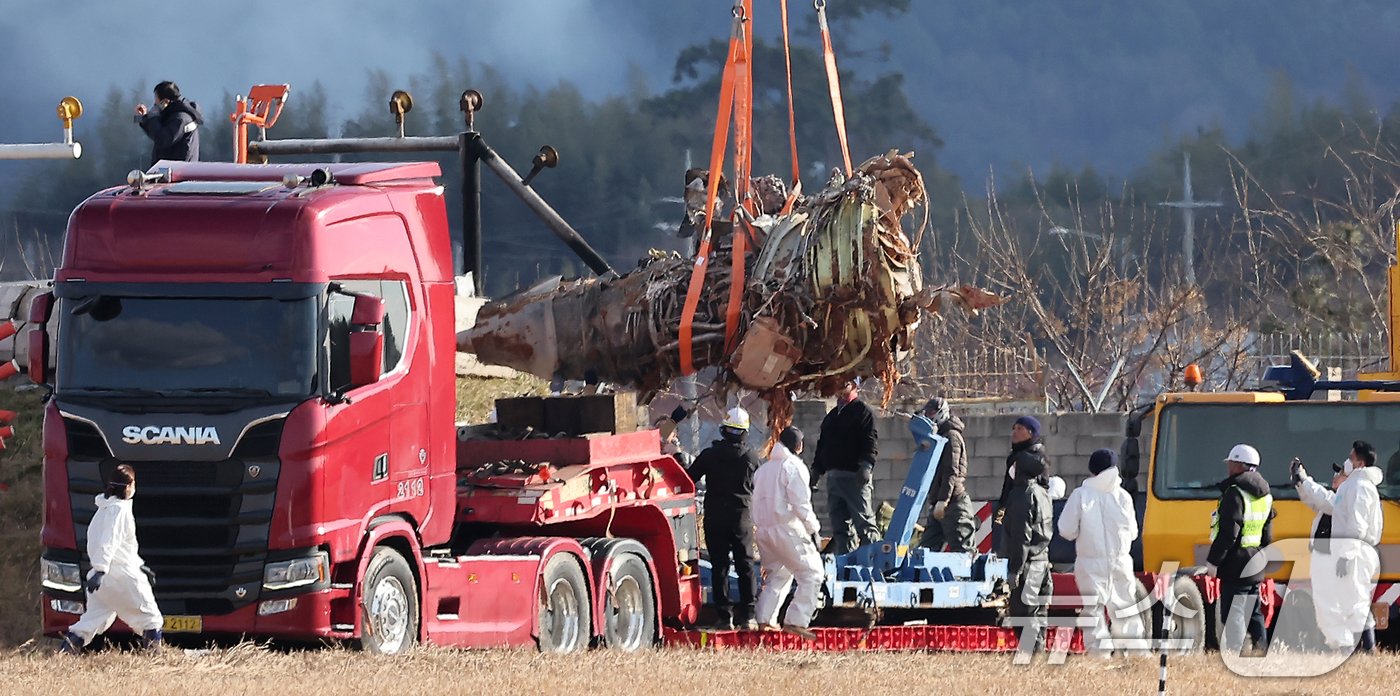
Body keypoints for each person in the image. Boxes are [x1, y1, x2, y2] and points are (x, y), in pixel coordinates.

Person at [59, 465, 162, 654]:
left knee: (93, 620)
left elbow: (117, 545)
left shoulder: (103, 510)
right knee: (151, 619)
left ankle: (64, 655)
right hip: (120, 575)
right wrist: (101, 569)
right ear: (130, 485)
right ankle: (156, 660)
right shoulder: (119, 510)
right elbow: (109, 541)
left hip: (103, 580)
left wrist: (140, 566)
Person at [1292, 440, 1384, 652]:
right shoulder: (1353, 486)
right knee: (1344, 602)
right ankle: (1349, 648)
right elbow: (1326, 501)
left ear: (1360, 462)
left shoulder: (1359, 486)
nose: (1347, 461)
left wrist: (1347, 555)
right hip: (1352, 552)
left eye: (1351, 457)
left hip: (1355, 552)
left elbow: (1356, 523)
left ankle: (1364, 648)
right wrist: (1302, 481)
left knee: (1353, 601)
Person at [1058, 449, 1145, 654]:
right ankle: (1137, 654)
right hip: (1120, 560)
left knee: (1093, 611)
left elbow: (1066, 529)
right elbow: (1133, 532)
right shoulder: (1123, 496)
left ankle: (1100, 656)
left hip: (1090, 562)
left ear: (1092, 470)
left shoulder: (1081, 495)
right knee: (1125, 607)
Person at [687, 407, 761, 630]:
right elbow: (759, 486)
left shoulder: (710, 455)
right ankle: (748, 615)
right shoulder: (751, 457)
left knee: (719, 566)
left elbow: (690, 478)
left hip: (715, 517)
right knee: (745, 565)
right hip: (742, 518)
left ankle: (724, 617)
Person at [752, 426, 823, 640]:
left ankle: (765, 619)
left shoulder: (763, 470)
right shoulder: (794, 467)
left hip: (763, 530)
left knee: (779, 574)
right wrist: (813, 529)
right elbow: (801, 504)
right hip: (785, 527)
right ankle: (797, 621)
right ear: (798, 446)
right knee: (812, 573)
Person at [1204, 444, 1275, 655]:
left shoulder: (1234, 493)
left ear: (1239, 466)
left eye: (1231, 463)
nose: (1229, 467)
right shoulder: (1266, 495)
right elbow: (1267, 536)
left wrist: (1213, 561)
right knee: (1254, 612)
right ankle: (1262, 649)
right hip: (1256, 560)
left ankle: (1234, 654)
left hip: (1236, 563)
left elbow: (1229, 534)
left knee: (1233, 611)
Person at [812, 378, 880, 554]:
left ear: (855, 386)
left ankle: (874, 563)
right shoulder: (832, 416)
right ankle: (846, 563)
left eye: (846, 385)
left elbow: (870, 441)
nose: (841, 390)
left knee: (865, 524)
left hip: (854, 477)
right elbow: (823, 445)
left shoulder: (862, 412)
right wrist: (816, 471)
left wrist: (867, 465)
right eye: (839, 385)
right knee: (840, 527)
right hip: (834, 478)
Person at [1001, 449, 1053, 652]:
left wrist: (1016, 569)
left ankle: (1031, 659)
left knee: (1024, 616)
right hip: (1042, 561)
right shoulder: (1043, 493)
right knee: (1039, 616)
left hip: (1028, 565)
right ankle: (1038, 657)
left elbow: (1021, 537)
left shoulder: (1022, 495)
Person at [918, 397, 975, 553]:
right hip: (939, 501)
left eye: (931, 413)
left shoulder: (951, 436)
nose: (928, 416)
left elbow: (951, 471)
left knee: (963, 551)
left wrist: (943, 499)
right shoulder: (939, 437)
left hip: (954, 502)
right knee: (926, 550)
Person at [995, 415, 1049, 529]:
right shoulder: (1015, 456)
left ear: (1030, 432)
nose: (1014, 432)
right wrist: (1001, 510)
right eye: (1014, 428)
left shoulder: (1037, 456)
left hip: (1028, 516)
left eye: (1019, 429)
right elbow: (1008, 486)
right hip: (1012, 513)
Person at [134, 81, 204, 167]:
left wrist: (153, 117)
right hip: (171, 171)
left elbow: (162, 140)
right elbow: (157, 133)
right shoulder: (172, 114)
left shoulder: (180, 119)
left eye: (156, 99)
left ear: (165, 102)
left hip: (178, 173)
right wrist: (144, 118)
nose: (155, 103)